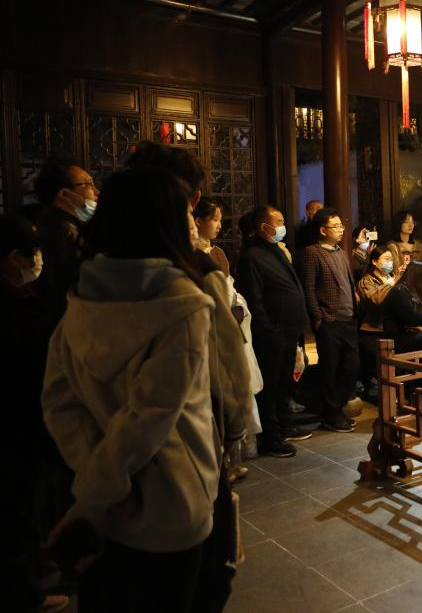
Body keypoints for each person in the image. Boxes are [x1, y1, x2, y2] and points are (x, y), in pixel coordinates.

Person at [41, 167, 219, 613]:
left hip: (103, 503)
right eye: (185, 213)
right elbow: (151, 416)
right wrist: (110, 487)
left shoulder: (82, 293)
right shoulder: (183, 303)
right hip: (170, 497)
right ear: (165, 222)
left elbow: (60, 402)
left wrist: (97, 485)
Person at [124, 142, 252, 612]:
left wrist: (96, 472)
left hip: (105, 472)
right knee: (197, 581)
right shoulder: (195, 276)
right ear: (192, 200)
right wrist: (233, 432)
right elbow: (229, 378)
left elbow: (60, 395)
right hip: (186, 460)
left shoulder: (88, 273)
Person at [0, 215, 71, 613]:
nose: (40, 259)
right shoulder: (15, 308)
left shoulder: (26, 297)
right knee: (18, 511)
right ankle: (24, 593)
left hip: (30, 422)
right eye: (35, 252)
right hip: (19, 424)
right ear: (15, 258)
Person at [236, 205, 310, 458]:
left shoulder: (275, 250)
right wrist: (270, 330)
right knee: (270, 386)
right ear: (264, 227)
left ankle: (283, 425)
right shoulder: (252, 256)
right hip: (272, 335)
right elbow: (254, 299)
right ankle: (271, 437)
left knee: (284, 383)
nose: (282, 226)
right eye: (278, 222)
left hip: (289, 331)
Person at [299, 208, 360, 433]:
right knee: (330, 368)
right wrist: (318, 318)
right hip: (329, 320)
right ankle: (331, 414)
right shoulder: (311, 253)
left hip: (349, 318)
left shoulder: (341, 252)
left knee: (351, 366)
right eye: (336, 226)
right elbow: (308, 288)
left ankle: (336, 407)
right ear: (323, 230)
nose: (341, 230)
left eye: (342, 226)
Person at [32, 158, 99, 325]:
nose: (97, 192)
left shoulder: (56, 223)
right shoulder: (63, 232)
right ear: (65, 194)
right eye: (89, 184)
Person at [356, 246, 396, 395]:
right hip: (373, 329)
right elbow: (375, 299)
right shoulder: (366, 281)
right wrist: (392, 283)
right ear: (374, 261)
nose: (390, 262)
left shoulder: (394, 277)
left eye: (391, 259)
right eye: (386, 259)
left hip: (394, 328)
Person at [193, 197, 230, 275]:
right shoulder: (190, 251)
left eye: (220, 220)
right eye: (215, 220)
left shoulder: (218, 252)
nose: (219, 226)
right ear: (198, 221)